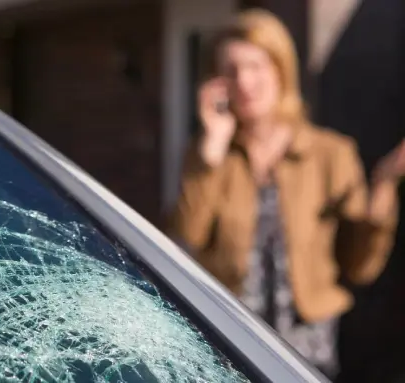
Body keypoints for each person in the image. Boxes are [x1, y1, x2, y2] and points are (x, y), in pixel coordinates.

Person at [166, 8, 405, 380]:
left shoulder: (331, 154)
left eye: (256, 66)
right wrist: (208, 156)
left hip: (309, 352)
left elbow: (361, 266)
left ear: (281, 70)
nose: (244, 81)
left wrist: (385, 186)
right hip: (227, 345)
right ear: (216, 82)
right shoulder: (209, 156)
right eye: (230, 70)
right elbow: (184, 241)